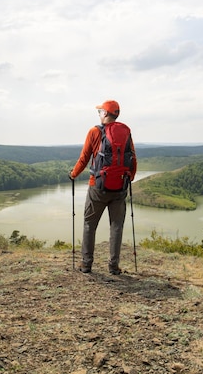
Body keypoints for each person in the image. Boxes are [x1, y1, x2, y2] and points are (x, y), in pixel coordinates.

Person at [69, 100, 137, 274]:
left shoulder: (94, 131)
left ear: (106, 114)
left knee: (89, 225)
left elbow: (84, 158)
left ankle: (86, 264)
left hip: (97, 187)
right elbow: (133, 159)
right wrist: (128, 178)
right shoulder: (125, 132)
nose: (99, 113)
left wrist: (73, 174)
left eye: (100, 111)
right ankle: (113, 267)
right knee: (116, 227)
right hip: (120, 188)